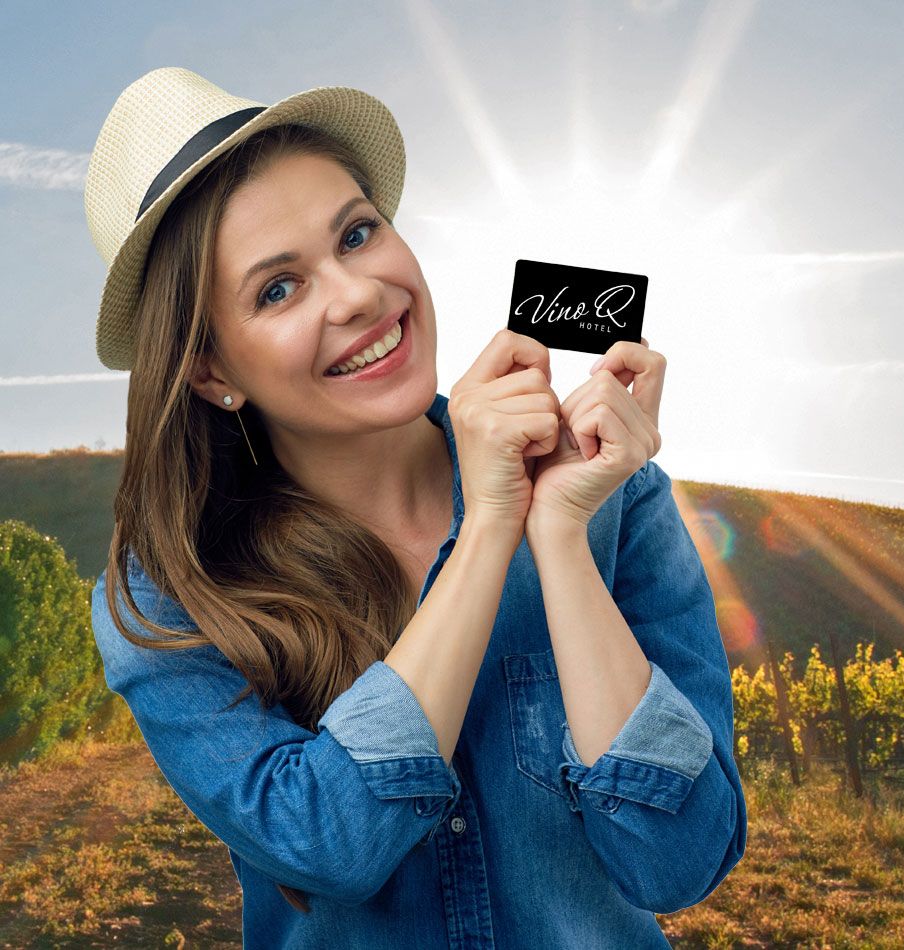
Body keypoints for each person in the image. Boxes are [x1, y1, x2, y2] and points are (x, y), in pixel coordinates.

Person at [81, 66, 745, 947]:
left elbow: (681, 863)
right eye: (278, 289)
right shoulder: (165, 601)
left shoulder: (613, 495)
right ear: (210, 371)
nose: (358, 294)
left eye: (356, 234)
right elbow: (328, 844)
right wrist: (490, 531)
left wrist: (557, 535)